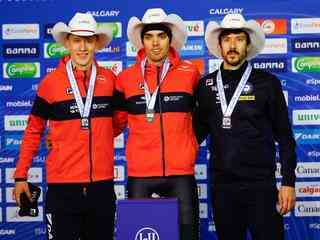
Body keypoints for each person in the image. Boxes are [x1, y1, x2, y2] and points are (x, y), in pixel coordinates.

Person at [13, 12, 122, 240]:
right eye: (76, 40)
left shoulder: (110, 80)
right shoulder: (50, 84)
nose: (82, 47)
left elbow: (120, 121)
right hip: (62, 189)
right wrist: (20, 176)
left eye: (88, 40)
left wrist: (96, 138)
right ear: (68, 43)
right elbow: (33, 130)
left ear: (96, 44)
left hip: (101, 188)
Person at [193, 13, 297, 240]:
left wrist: (288, 182)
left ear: (247, 44)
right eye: (227, 39)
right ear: (219, 45)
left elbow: (286, 138)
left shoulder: (268, 83)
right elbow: (192, 136)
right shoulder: (204, 86)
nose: (232, 45)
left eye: (239, 39)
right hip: (223, 189)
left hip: (262, 187)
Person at [115, 8, 200, 240]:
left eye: (161, 36)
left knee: (188, 236)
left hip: (181, 173)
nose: (155, 43)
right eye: (149, 37)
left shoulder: (190, 73)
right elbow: (114, 124)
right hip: (140, 175)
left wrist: (189, 144)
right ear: (141, 41)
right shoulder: (125, 78)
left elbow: (204, 118)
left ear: (170, 39)